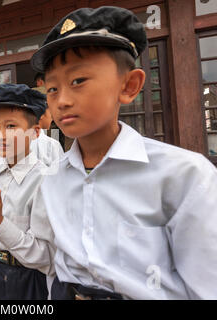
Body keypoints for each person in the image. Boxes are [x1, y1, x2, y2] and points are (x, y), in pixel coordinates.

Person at [31, 6, 217, 300]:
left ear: (129, 86)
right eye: (52, 89)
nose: (62, 100)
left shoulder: (184, 176)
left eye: (78, 81)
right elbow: (54, 261)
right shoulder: (52, 177)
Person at [0, 83, 55, 300]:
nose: (1, 135)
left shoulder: (45, 181)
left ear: (35, 132)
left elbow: (45, 255)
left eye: (11, 126)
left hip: (27, 279)